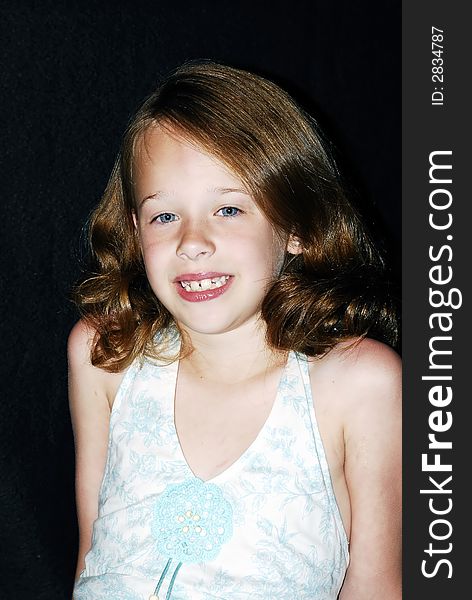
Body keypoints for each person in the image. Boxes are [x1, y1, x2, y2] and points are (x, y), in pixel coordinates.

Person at [68, 61, 401, 600]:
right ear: (133, 229)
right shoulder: (104, 356)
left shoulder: (358, 384)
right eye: (163, 216)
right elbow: (93, 560)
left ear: (296, 226)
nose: (192, 242)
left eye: (227, 209)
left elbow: (378, 586)